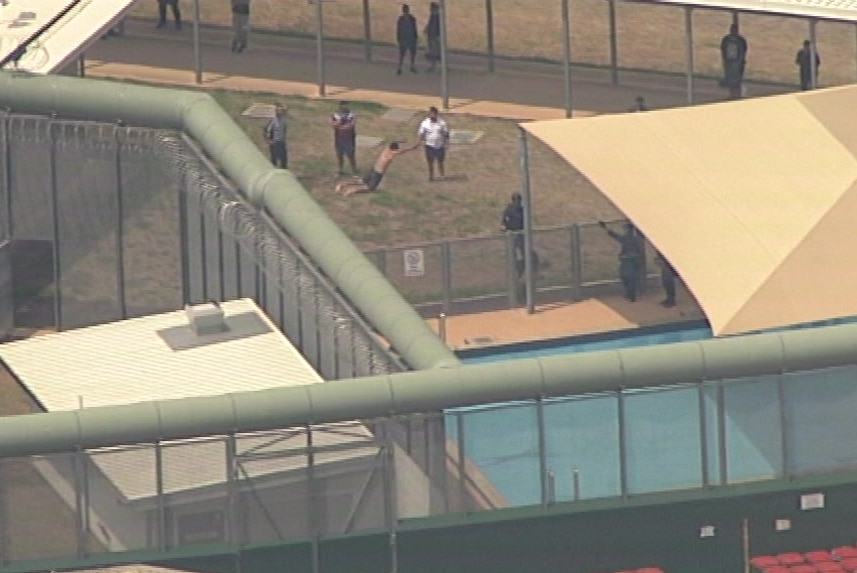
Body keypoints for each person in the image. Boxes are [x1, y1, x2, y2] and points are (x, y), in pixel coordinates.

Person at [335, 141, 420, 197]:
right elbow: (403, 151)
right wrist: (413, 147)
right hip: (378, 173)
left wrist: (400, 141)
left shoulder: (386, 149)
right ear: (395, 149)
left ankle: (343, 184)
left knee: (361, 181)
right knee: (370, 188)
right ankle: (352, 190)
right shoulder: (392, 153)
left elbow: (393, 143)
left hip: (374, 168)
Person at [599, 221, 643, 302]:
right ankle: (631, 294)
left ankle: (631, 295)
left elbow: (614, 235)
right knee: (628, 277)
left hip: (629, 260)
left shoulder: (627, 238)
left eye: (625, 229)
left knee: (627, 277)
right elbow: (614, 235)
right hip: (630, 260)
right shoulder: (633, 238)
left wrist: (605, 227)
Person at [418, 106, 449, 182]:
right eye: (430, 114)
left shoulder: (442, 122)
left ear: (436, 114)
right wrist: (421, 141)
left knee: (440, 161)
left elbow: (446, 133)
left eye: (433, 114)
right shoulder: (425, 123)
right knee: (430, 162)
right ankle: (431, 176)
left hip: (439, 146)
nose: (431, 116)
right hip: (429, 146)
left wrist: (446, 142)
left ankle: (442, 175)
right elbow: (421, 133)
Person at [720, 23, 748, 100]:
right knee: (730, 78)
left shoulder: (740, 40)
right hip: (729, 62)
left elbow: (743, 50)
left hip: (737, 62)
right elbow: (723, 49)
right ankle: (732, 94)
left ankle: (737, 94)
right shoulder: (726, 39)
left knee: (737, 79)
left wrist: (741, 60)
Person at [330, 101, 357, 176]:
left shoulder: (352, 115)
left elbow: (351, 126)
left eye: (345, 105)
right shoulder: (335, 115)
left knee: (351, 155)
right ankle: (340, 170)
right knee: (339, 155)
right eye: (342, 106)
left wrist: (340, 126)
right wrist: (338, 121)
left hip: (349, 139)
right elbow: (332, 125)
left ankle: (354, 169)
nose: (343, 108)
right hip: (339, 139)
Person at [396, 4, 419, 75]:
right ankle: (400, 67)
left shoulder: (412, 19)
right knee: (402, 54)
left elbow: (414, 29)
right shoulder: (401, 19)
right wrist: (399, 38)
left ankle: (411, 66)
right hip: (404, 38)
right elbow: (398, 30)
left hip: (411, 38)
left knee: (412, 53)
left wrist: (415, 37)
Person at [501, 192, 525, 259]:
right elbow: (504, 221)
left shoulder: (522, 210)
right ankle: (513, 264)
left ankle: (523, 264)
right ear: (513, 201)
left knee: (522, 249)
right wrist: (504, 228)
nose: (518, 203)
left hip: (521, 233)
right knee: (512, 250)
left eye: (519, 201)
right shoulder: (509, 210)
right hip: (512, 233)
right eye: (517, 201)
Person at [264, 103, 288, 169]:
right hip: (275, 142)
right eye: (279, 110)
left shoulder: (283, 120)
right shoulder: (273, 121)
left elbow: (284, 129)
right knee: (274, 158)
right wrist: (268, 140)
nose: (280, 112)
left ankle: (284, 172)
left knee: (284, 158)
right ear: (276, 112)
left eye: (281, 111)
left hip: (282, 142)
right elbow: (266, 130)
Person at [424, 2, 441, 72]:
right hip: (431, 35)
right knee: (432, 51)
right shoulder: (432, 16)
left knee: (436, 51)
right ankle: (433, 66)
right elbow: (430, 24)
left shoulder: (438, 17)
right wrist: (427, 29)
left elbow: (438, 27)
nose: (430, 10)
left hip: (435, 36)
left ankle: (436, 66)